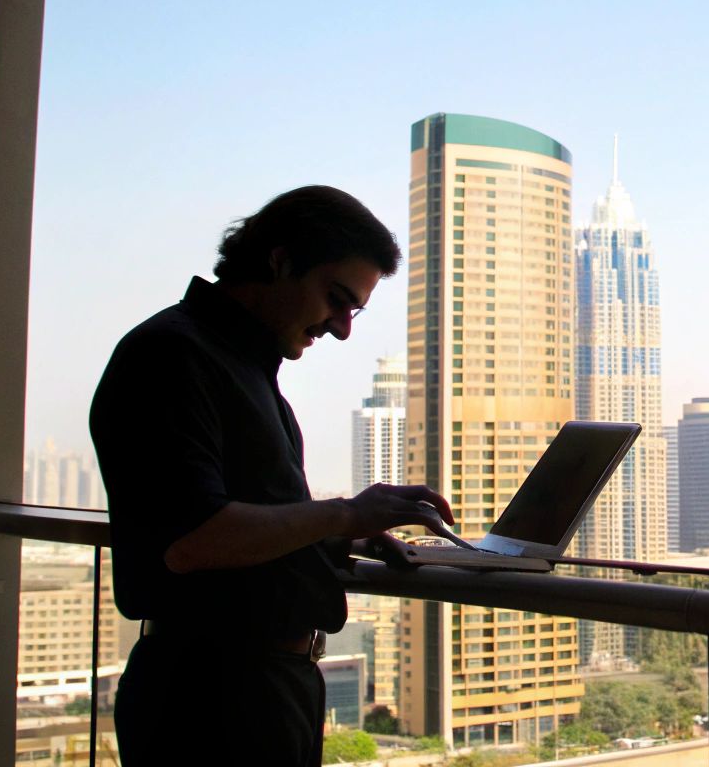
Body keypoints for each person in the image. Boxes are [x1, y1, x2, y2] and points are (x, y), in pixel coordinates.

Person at [90, 185, 453, 766]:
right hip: (212, 702)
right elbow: (190, 541)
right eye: (335, 299)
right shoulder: (170, 357)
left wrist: (341, 536)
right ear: (280, 261)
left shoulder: (237, 366)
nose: (341, 328)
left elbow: (244, 520)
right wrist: (344, 512)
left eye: (353, 310)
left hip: (256, 689)